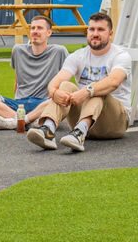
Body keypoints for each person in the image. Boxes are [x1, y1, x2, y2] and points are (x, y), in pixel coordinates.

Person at [27, 12, 132, 152]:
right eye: (92, 29)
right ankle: (48, 129)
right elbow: (54, 83)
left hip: (114, 123)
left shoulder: (121, 55)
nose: (95, 33)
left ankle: (79, 134)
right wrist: (54, 92)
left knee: (98, 89)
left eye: (100, 30)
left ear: (110, 34)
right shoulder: (78, 56)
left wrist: (87, 91)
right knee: (64, 86)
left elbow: (113, 82)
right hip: (81, 118)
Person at [0, 15, 69, 130]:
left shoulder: (59, 51)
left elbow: (65, 83)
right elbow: (17, 79)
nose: (35, 31)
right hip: (19, 103)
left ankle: (17, 121)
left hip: (43, 103)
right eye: (33, 28)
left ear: (49, 32)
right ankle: (27, 121)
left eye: (39, 28)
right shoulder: (18, 50)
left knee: (60, 100)